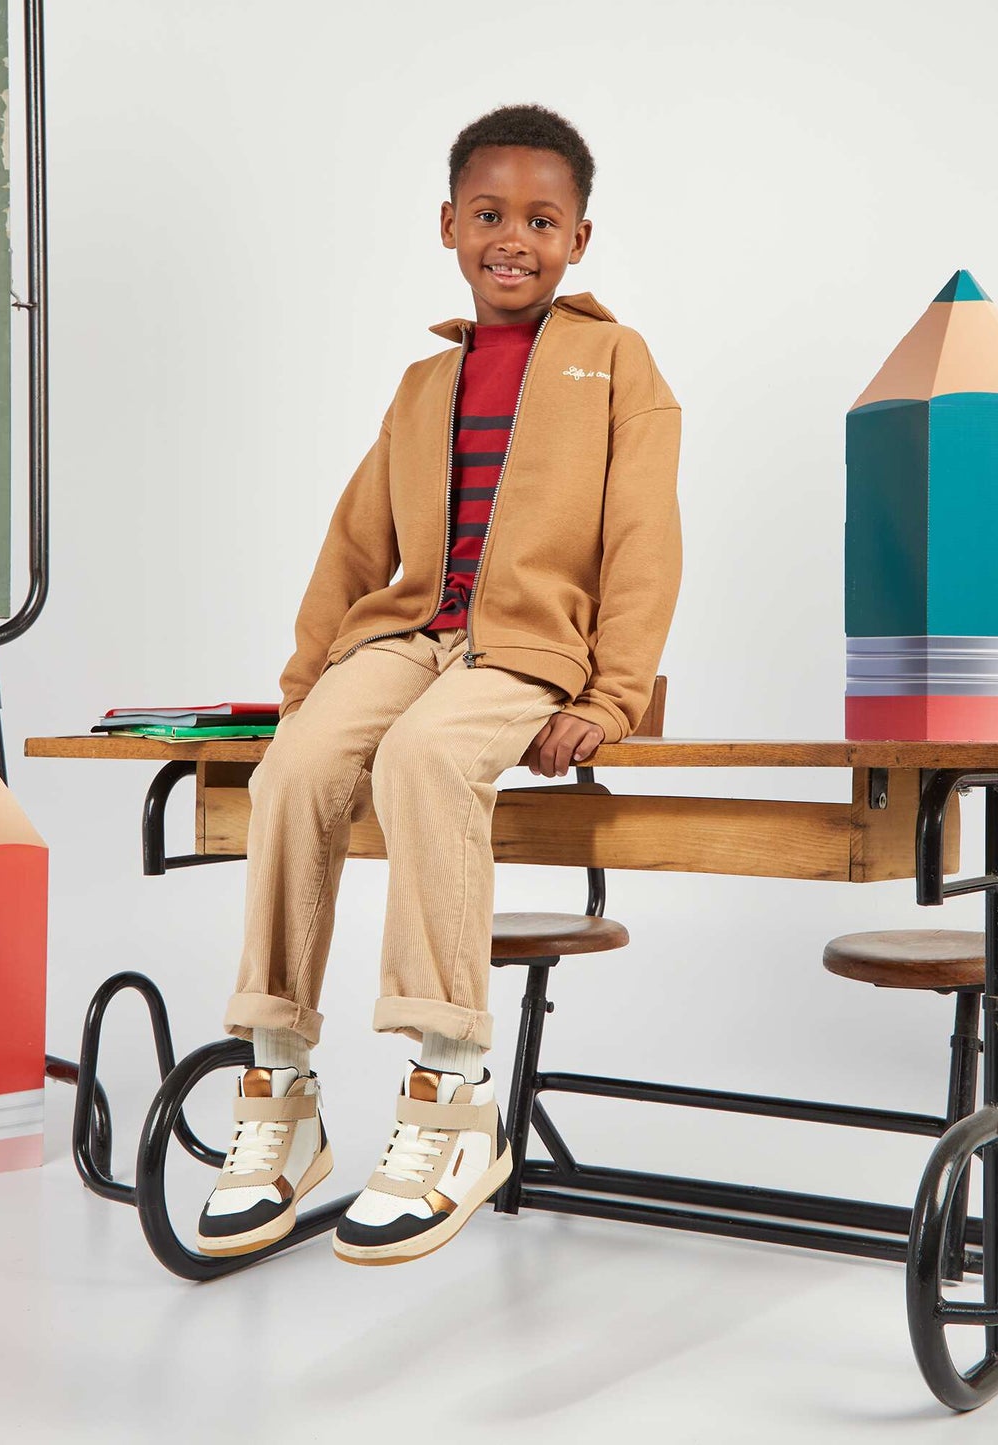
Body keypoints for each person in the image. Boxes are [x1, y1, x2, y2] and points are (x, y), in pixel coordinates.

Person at [197, 102, 682, 1266]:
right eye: (487, 214)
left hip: (525, 649)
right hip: (411, 636)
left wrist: (610, 697)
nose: (510, 236)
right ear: (448, 224)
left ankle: (451, 1094)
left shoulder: (614, 362)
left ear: (577, 238)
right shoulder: (425, 383)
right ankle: (281, 1086)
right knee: (300, 763)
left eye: (539, 218)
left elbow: (642, 538)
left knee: (423, 759)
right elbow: (355, 545)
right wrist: (305, 685)